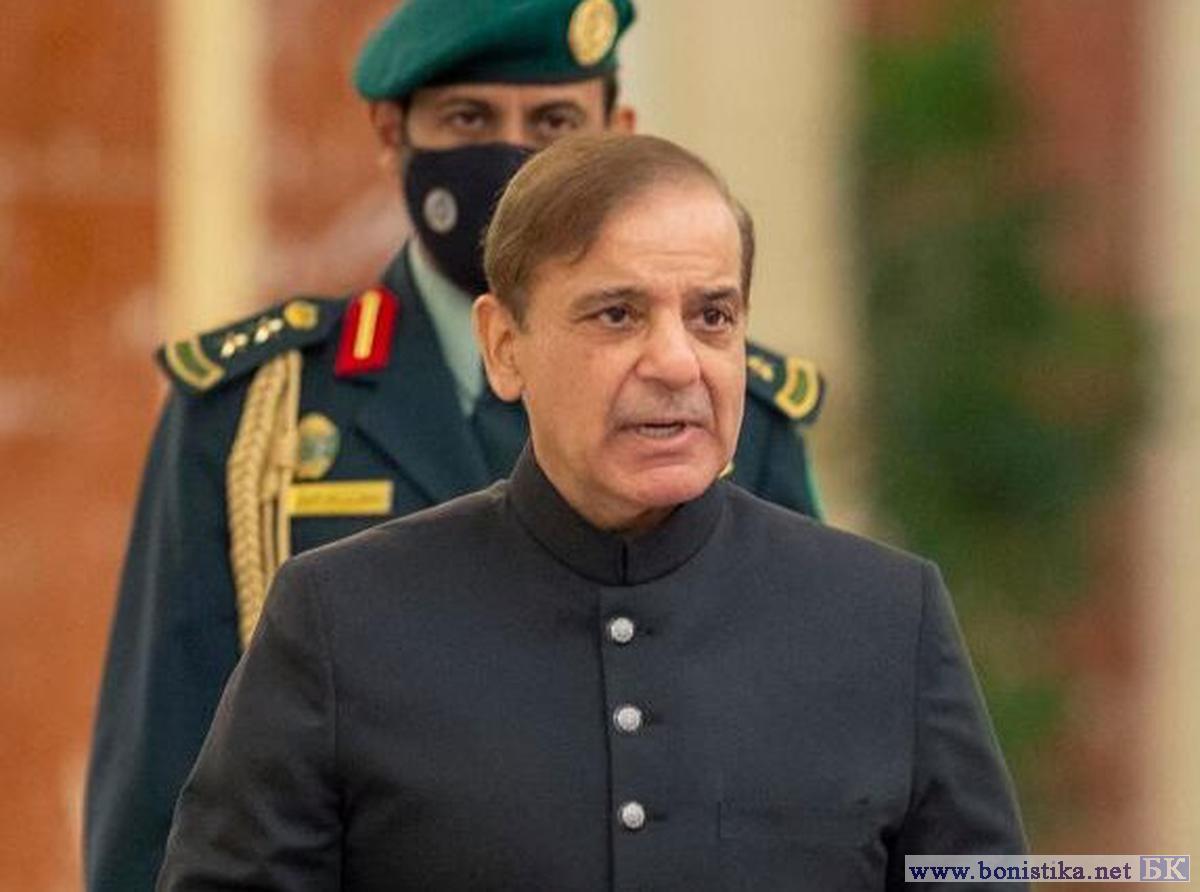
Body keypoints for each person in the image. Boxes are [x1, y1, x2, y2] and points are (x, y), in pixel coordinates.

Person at [85, 1, 828, 888]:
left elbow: (812, 739)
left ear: (617, 132)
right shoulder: (256, 415)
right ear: (392, 133)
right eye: (470, 120)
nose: (512, 161)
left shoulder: (724, 411)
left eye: (553, 123)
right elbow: (157, 802)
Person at [157, 133, 1025, 891]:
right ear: (505, 346)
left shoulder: (885, 619)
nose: (677, 362)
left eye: (712, 316)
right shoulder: (340, 619)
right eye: (617, 315)